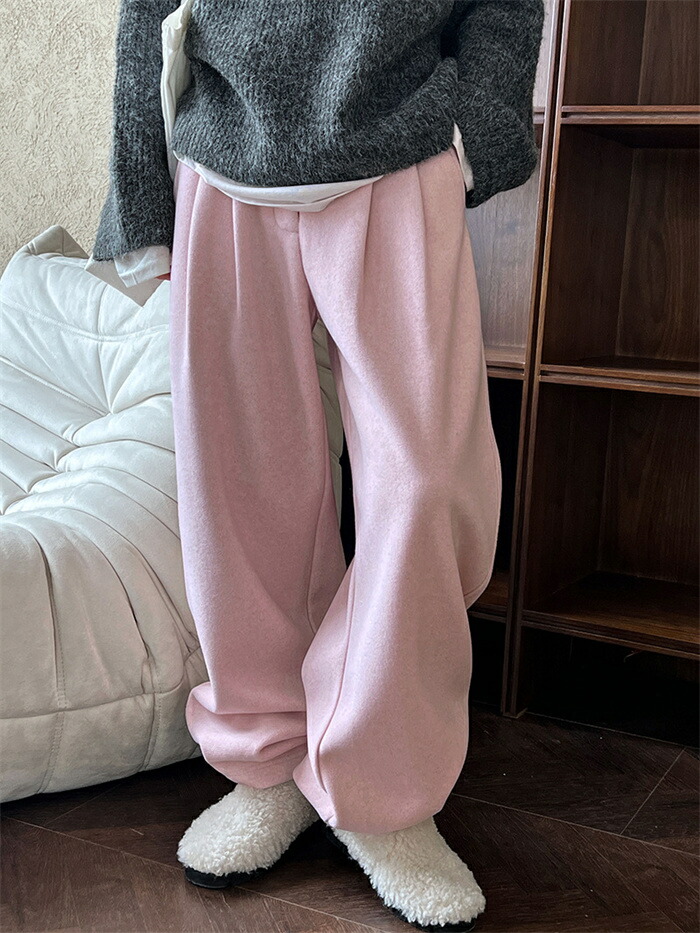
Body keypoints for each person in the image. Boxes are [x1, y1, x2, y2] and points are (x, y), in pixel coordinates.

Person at [89, 1, 544, 928]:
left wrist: (477, 132)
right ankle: (268, 758)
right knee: (238, 487)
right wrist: (142, 193)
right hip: (223, 158)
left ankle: (383, 786)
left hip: (403, 147)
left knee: (428, 484)